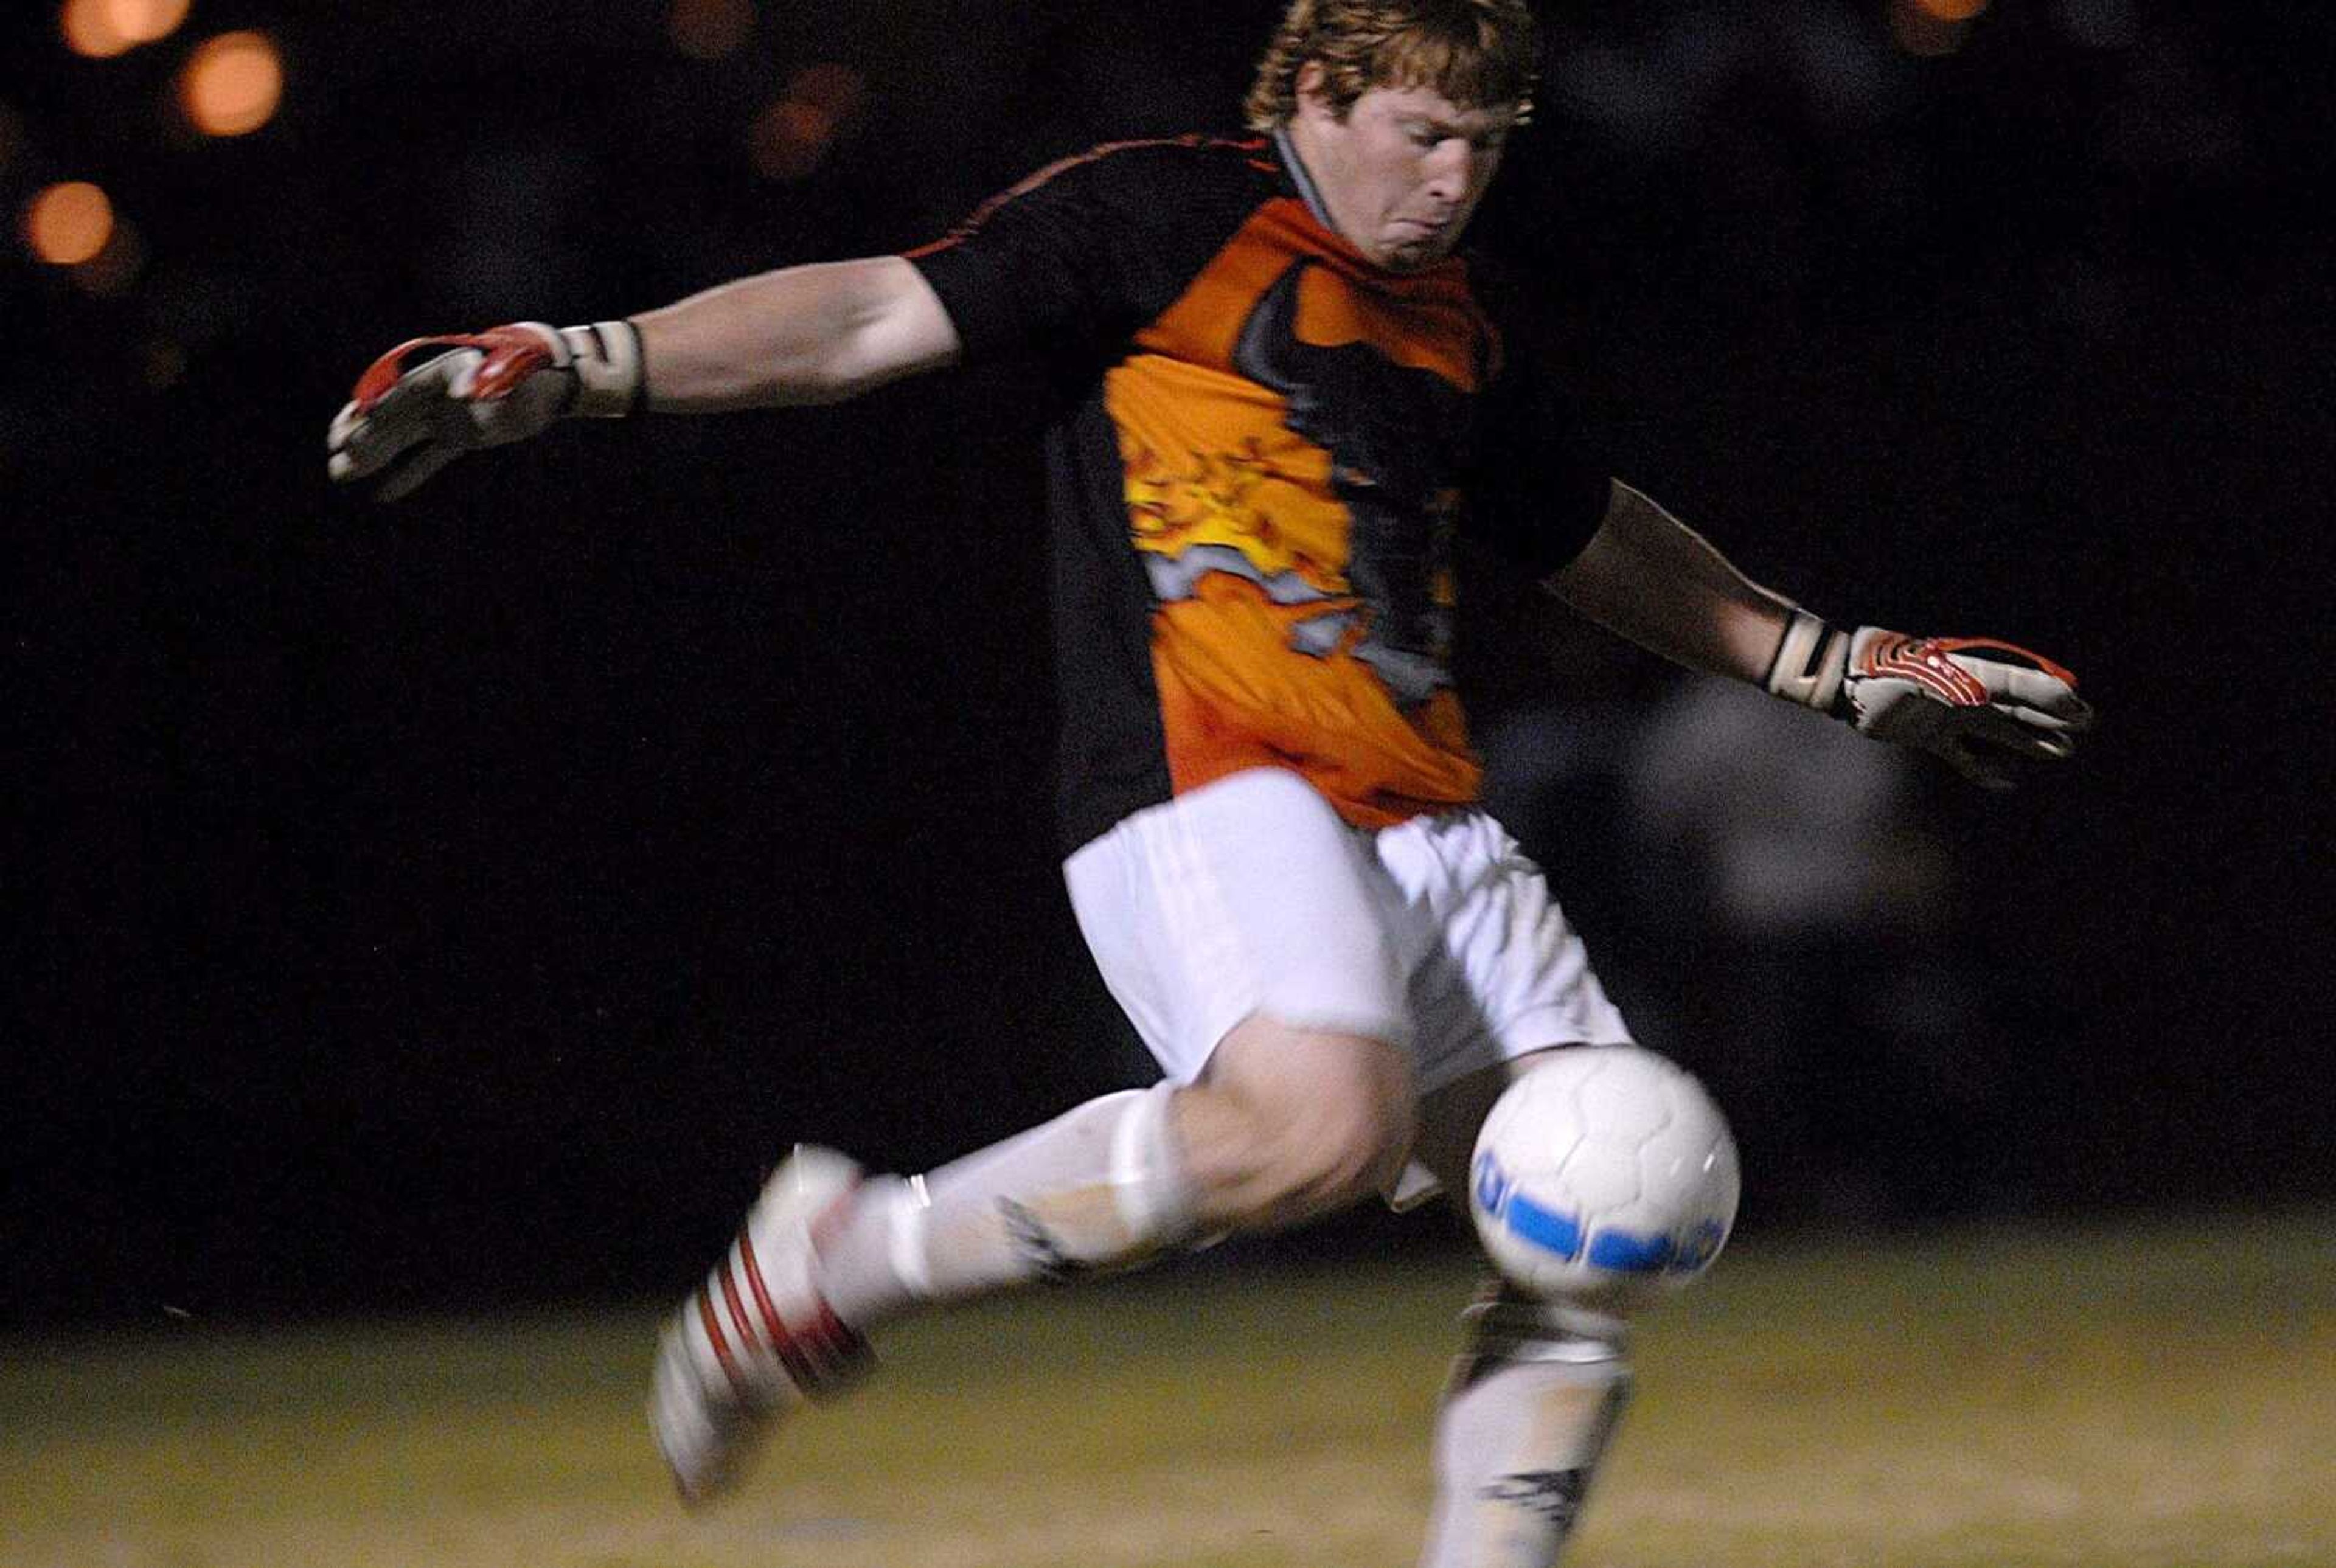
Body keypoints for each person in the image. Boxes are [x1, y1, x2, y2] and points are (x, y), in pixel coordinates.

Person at [326, 2, 2094, 1561]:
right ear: (1317, 89)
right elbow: (875, 310)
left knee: (1610, 1209)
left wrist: (1831, 664)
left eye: (1487, 141)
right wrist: (583, 364)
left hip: (1429, 815)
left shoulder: (1455, 324)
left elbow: (1587, 531)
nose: (1455, 176)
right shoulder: (1163, 213)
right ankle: (846, 1257)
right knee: (1313, 1126)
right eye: (1424, 129)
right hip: (1209, 776)